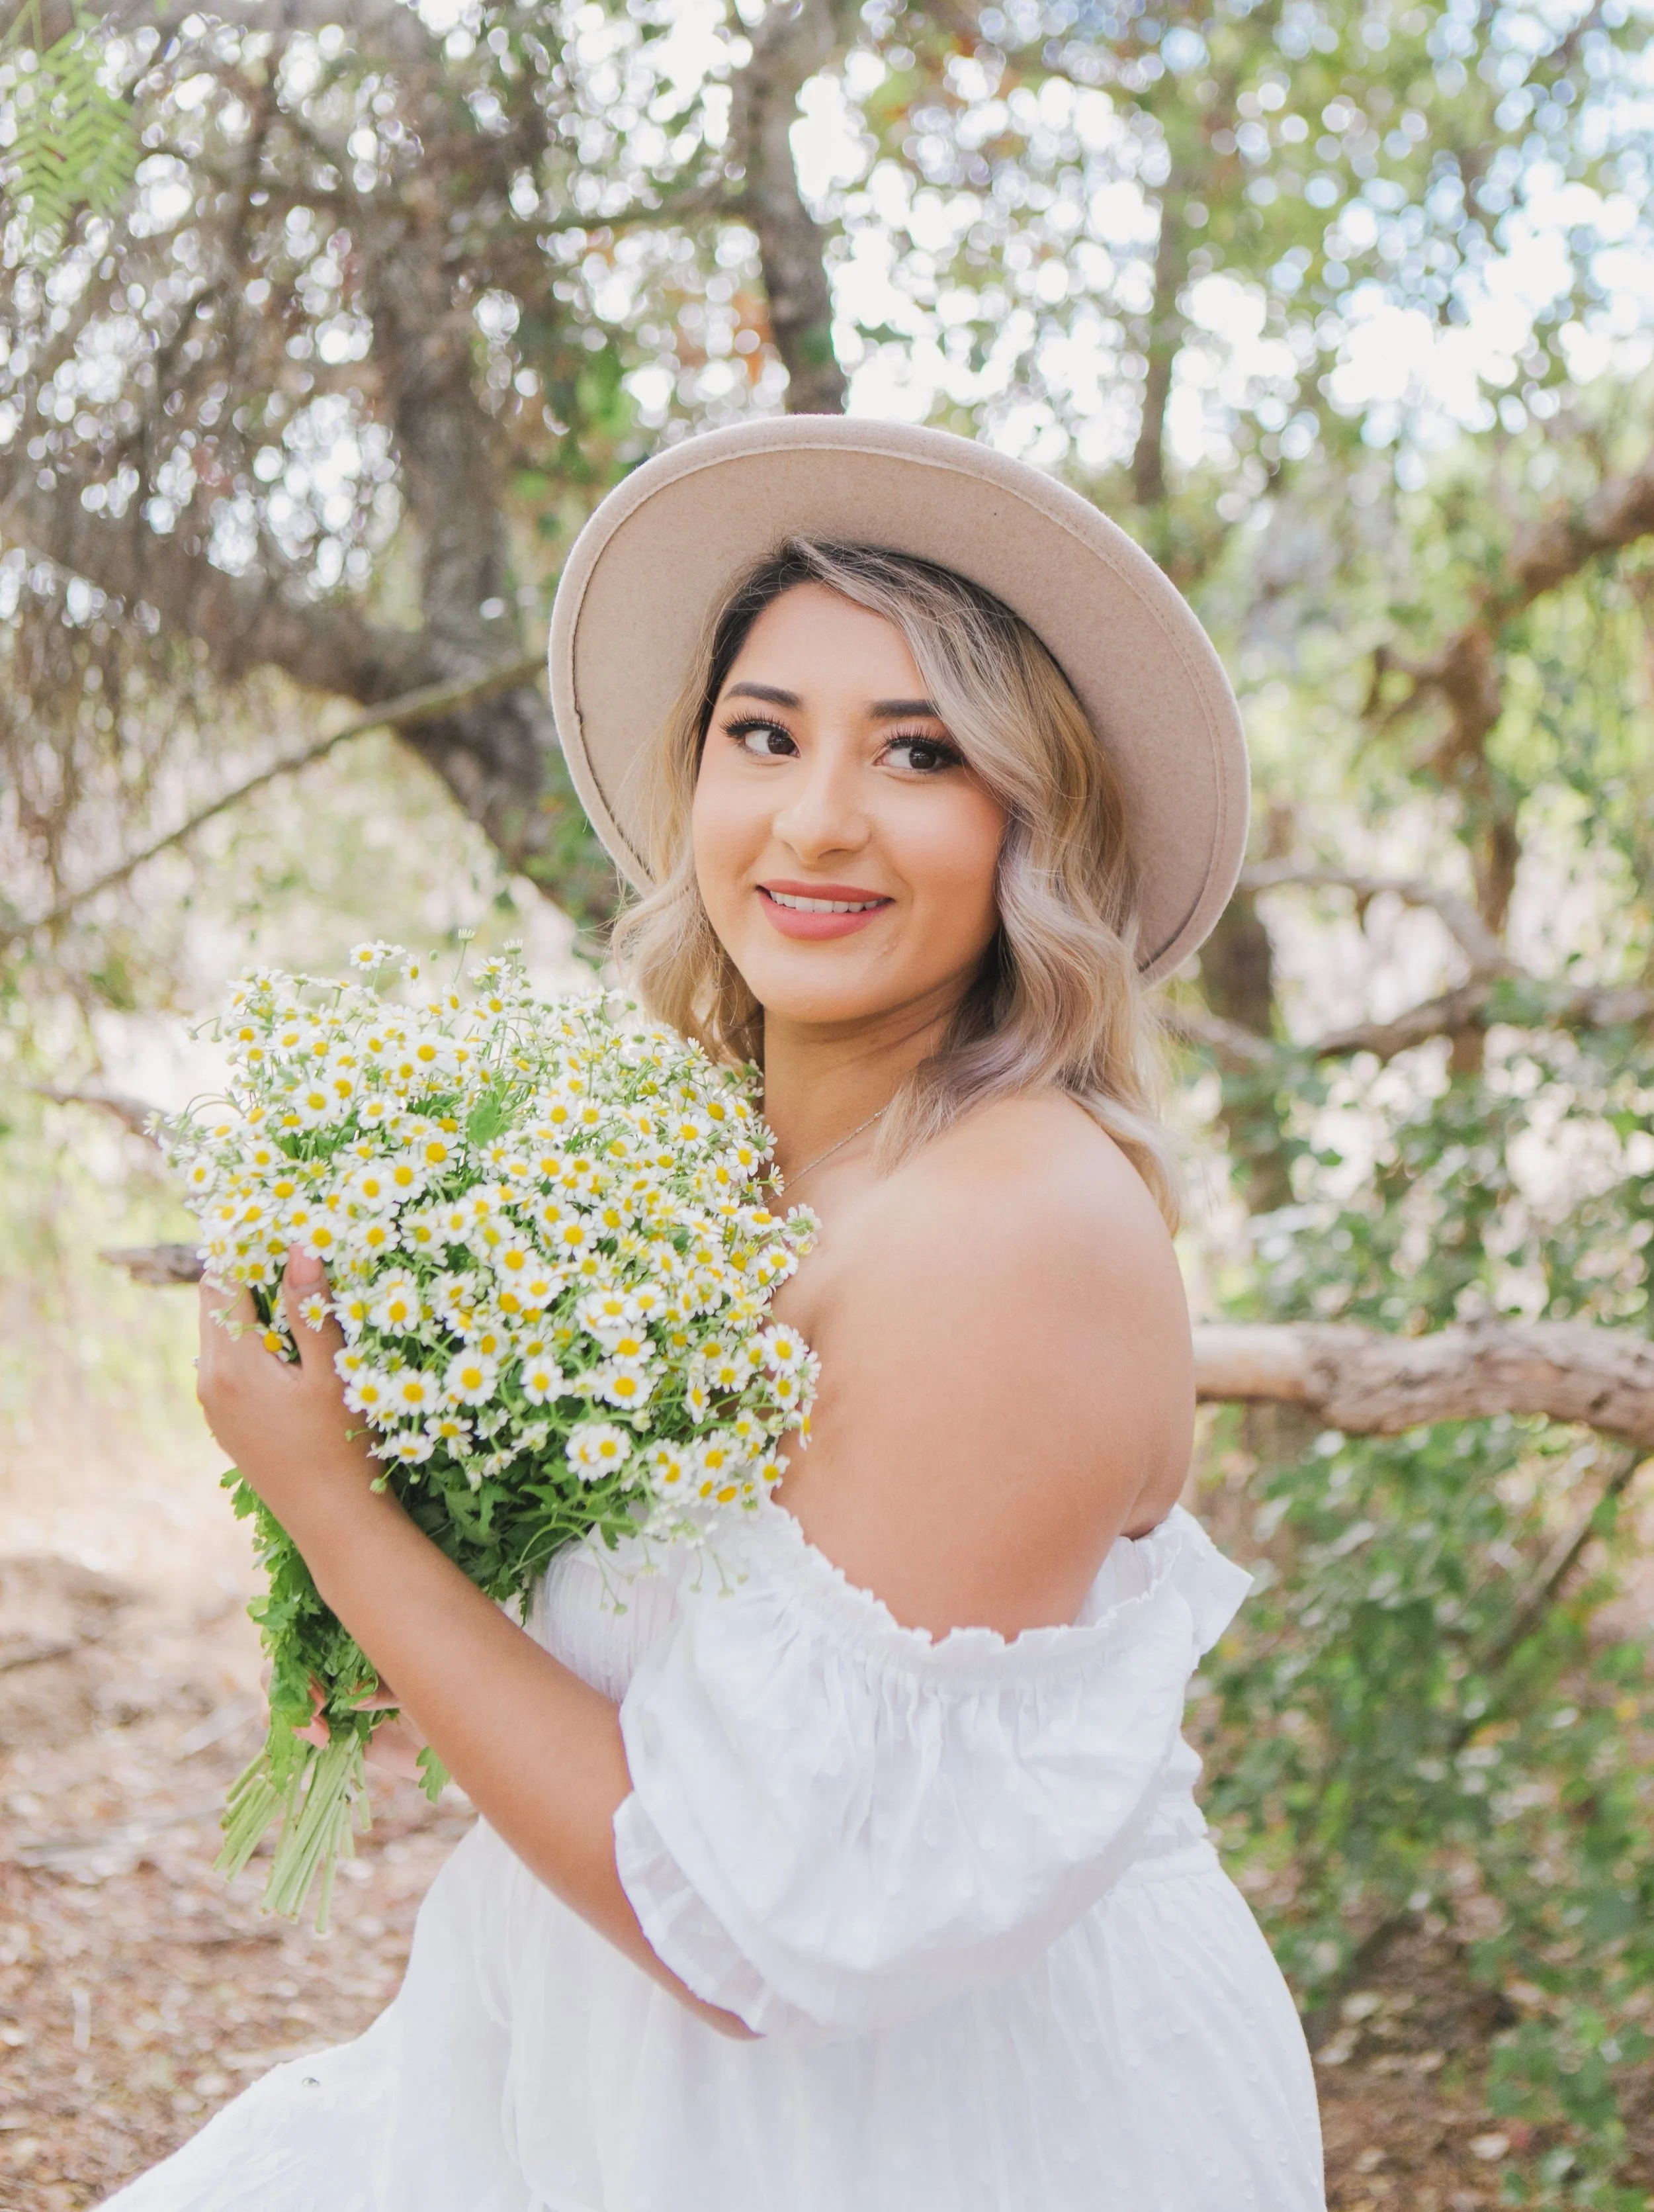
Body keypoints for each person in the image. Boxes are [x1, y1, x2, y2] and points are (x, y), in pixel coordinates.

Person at [107, 418, 1325, 2211]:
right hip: (588, 2081)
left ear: (1027, 818)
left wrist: (335, 1508)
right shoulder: (683, 1172)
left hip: (935, 2141)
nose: (817, 815)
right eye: (765, 734)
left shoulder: (1016, 1227)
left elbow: (748, 1907)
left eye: (919, 750)